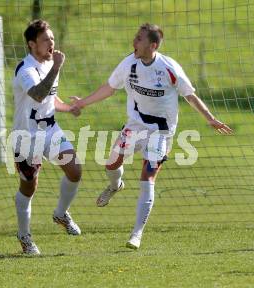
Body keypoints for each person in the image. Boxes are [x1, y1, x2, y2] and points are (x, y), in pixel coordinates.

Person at [71, 23, 232, 250]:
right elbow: (109, 87)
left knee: (147, 179)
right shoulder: (129, 64)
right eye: (135, 37)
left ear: (152, 45)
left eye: (139, 39)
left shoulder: (169, 68)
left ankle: (136, 234)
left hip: (162, 132)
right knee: (111, 164)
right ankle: (115, 185)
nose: (134, 42)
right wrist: (82, 103)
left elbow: (190, 95)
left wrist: (210, 118)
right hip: (136, 126)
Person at [12, 19, 82, 255]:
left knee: (75, 170)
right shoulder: (26, 69)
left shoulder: (51, 63)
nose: (51, 42)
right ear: (32, 44)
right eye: (45, 39)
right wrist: (56, 68)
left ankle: (61, 213)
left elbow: (51, 99)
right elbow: (39, 95)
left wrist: (68, 108)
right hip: (26, 137)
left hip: (50, 129)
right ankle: (24, 236)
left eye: (52, 38)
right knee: (29, 187)